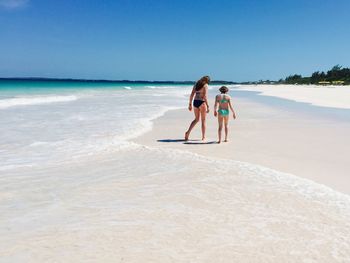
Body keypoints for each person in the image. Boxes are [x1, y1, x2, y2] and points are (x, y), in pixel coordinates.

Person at [185, 76, 210, 141]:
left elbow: (192, 94)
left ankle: (188, 132)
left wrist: (190, 104)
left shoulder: (196, 84)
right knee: (203, 120)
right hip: (202, 102)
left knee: (196, 119)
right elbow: (205, 96)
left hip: (195, 102)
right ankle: (203, 137)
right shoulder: (205, 85)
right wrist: (208, 105)